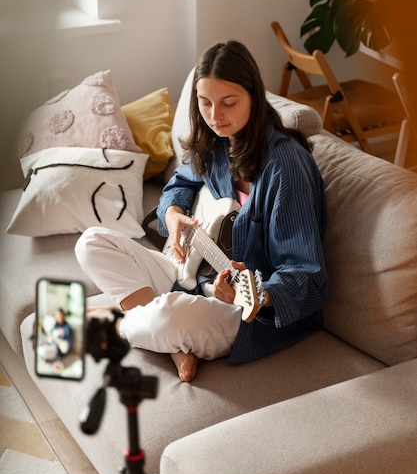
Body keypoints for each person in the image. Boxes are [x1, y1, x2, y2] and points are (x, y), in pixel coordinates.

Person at [75, 41, 328, 382]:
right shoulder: (217, 141)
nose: (215, 116)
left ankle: (123, 319)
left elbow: (306, 274)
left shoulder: (286, 169)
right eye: (205, 103)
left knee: (170, 316)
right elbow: (179, 183)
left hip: (247, 314)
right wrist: (172, 215)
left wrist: (259, 295)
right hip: (193, 276)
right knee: (91, 242)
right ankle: (171, 343)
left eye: (228, 103)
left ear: (255, 96)